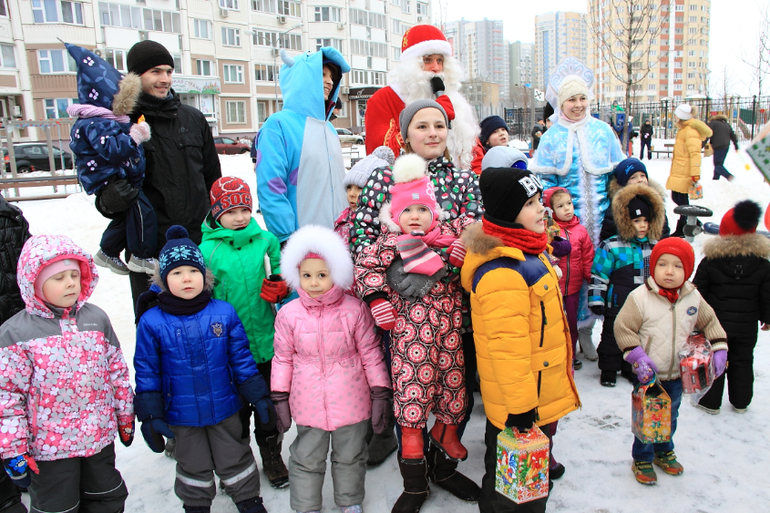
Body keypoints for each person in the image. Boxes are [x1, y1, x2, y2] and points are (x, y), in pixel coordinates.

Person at [351, 99, 482, 506]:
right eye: (421, 126)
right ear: (405, 134)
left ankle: (443, 467)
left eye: (438, 125)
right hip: (405, 315)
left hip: (453, 311)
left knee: (455, 392)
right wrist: (394, 275)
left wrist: (438, 261)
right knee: (410, 395)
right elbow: (362, 237)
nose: (432, 133)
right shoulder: (384, 177)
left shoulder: (464, 179)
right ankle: (415, 482)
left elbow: (474, 232)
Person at [461, 167, 580, 512]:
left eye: (539, 200)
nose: (542, 208)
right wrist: (521, 410)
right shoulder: (503, 271)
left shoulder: (527, 250)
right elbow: (506, 350)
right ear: (507, 213)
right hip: (521, 405)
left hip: (534, 394)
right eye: (530, 203)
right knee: (515, 493)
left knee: (517, 482)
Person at [134, 226, 274, 513]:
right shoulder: (152, 322)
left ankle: (249, 500)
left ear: (205, 276)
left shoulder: (224, 312)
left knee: (235, 456)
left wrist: (259, 395)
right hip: (181, 415)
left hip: (225, 407)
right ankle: (196, 506)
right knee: (192, 463)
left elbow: (241, 359)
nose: (187, 278)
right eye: (177, 273)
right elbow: (147, 371)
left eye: (193, 271)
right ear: (163, 280)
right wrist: (150, 413)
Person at [0, 234, 134, 513]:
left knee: (108, 498)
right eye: (59, 278)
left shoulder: (95, 319)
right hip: (50, 450)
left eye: (74, 275)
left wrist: (125, 415)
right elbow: (7, 398)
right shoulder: (16, 334)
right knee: (58, 507)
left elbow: (117, 372)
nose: (71, 283)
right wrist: (14, 449)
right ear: (34, 283)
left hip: (98, 440)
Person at [271, 225, 391, 513]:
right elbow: (282, 358)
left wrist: (379, 391)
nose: (314, 283)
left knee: (350, 455)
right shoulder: (289, 314)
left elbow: (370, 353)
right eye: (306, 275)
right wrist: (279, 396)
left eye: (322, 275)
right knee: (306, 457)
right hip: (308, 402)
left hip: (351, 400)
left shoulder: (354, 310)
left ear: (336, 273)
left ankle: (349, 500)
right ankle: (306, 505)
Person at [530, 57, 626, 367]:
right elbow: (543, 184)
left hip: (602, 225)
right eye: (572, 99)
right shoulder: (550, 137)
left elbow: (618, 177)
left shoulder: (603, 131)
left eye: (582, 98)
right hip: (566, 228)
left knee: (598, 276)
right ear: (561, 102)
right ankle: (571, 333)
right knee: (570, 281)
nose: (578, 104)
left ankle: (590, 332)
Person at [198, 177, 290, 489]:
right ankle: (236, 464)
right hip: (228, 351)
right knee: (235, 413)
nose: (239, 217)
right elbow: (201, 297)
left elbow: (281, 272)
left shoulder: (266, 240)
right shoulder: (207, 251)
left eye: (244, 210)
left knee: (268, 407)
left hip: (267, 342)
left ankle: (272, 453)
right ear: (216, 213)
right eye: (230, 211)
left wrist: (282, 287)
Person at [614, 237, 727, 485]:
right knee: (647, 417)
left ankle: (664, 450)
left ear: (687, 270)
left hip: (677, 374)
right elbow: (623, 328)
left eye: (677, 266)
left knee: (670, 415)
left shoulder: (693, 297)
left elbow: (710, 322)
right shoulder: (640, 297)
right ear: (653, 266)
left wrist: (720, 349)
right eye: (662, 264)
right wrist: (637, 356)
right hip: (648, 374)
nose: (669, 271)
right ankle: (642, 457)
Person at [121, 40, 221, 305]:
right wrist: (112, 198)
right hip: (149, 247)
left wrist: (215, 229)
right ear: (135, 76)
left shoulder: (193, 119)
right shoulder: (123, 123)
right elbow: (107, 187)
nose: (165, 79)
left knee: (203, 314)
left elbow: (213, 179)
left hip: (198, 240)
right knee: (154, 318)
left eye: (168, 71)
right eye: (155, 71)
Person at [65, 43, 156, 275]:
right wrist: (135, 136)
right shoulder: (97, 122)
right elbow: (114, 150)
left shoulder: (105, 120)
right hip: (112, 179)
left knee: (128, 217)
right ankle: (141, 256)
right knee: (143, 213)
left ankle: (108, 251)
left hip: (116, 177)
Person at [256, 47, 350, 243]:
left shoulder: (329, 129)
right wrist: (286, 238)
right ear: (302, 77)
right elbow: (271, 187)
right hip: (303, 243)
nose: (330, 81)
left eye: (332, 76)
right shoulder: (278, 125)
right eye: (322, 74)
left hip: (340, 241)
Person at [693, 201, 770, 414]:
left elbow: (698, 293)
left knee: (714, 359)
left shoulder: (711, 262)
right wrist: (767, 318)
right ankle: (741, 402)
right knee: (743, 361)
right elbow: (767, 295)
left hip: (715, 325)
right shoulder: (763, 265)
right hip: (746, 326)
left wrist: (696, 318)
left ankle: (709, 402)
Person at [364, 24, 478, 169]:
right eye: (428, 60)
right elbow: (379, 157)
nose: (436, 68)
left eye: (440, 60)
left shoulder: (455, 100)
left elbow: (473, 150)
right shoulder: (383, 99)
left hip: (456, 181)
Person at [588, 184, 665, 386]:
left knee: (637, 338)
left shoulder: (655, 246)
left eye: (646, 221)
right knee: (612, 337)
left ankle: (630, 367)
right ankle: (608, 369)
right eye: (636, 221)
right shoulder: (611, 245)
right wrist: (596, 299)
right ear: (626, 221)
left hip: (643, 306)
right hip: (617, 303)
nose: (642, 226)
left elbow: (660, 276)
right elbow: (599, 274)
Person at [542, 187, 595, 369]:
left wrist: (590, 277)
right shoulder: (548, 230)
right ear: (551, 210)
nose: (567, 209)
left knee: (571, 323)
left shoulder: (580, 230)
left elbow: (587, 256)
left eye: (569, 203)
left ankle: (571, 354)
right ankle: (556, 355)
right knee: (554, 323)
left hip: (573, 287)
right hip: (553, 287)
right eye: (560, 206)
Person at [0, 196, 30, 513]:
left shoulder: (10, 217)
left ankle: (20, 470)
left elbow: (31, 265)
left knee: (15, 403)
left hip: (16, 328)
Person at [666, 104, 713, 238]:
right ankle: (694, 221)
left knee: (682, 200)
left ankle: (684, 227)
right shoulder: (683, 129)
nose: (675, 117)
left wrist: (695, 173)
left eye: (676, 115)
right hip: (679, 170)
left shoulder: (690, 131)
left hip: (685, 171)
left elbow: (695, 154)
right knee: (677, 198)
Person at [335, 147, 395, 249]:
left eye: (360, 188)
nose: (352, 194)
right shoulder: (343, 218)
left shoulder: (385, 226)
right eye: (349, 187)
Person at [601, 158, 670, 242]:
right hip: (625, 248)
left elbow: (664, 231)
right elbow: (608, 234)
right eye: (633, 177)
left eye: (643, 175)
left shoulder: (655, 201)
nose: (640, 179)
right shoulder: (618, 204)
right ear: (623, 182)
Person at [706, 114, 739, 181]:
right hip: (726, 146)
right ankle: (715, 179)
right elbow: (733, 136)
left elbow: (707, 135)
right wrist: (736, 146)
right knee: (719, 163)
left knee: (717, 164)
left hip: (718, 146)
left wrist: (701, 145)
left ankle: (728, 176)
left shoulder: (712, 124)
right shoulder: (726, 124)